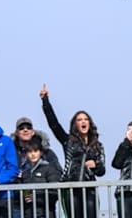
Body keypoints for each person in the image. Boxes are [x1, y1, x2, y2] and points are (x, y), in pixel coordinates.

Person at [40, 83, 106, 218]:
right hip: (70, 187)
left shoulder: (97, 145)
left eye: (86, 119)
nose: (83, 122)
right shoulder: (68, 141)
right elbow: (54, 124)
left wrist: (96, 165)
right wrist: (45, 101)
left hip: (89, 188)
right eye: (80, 119)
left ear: (90, 123)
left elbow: (102, 171)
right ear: (75, 124)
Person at [18, 137, 61, 218]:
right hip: (28, 214)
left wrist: (36, 197)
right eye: (30, 151)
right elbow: (23, 194)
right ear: (26, 154)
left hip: (45, 213)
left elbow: (55, 193)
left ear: (41, 152)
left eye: (35, 151)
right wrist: (19, 180)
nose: (33, 154)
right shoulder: (25, 172)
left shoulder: (49, 169)